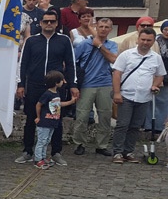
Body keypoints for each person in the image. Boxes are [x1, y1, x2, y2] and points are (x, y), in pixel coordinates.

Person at [15, 9, 78, 166]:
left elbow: (70, 64)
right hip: (35, 86)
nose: (49, 24)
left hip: (55, 89)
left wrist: (73, 85)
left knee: (56, 119)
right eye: (46, 21)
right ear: (41, 23)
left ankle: (56, 152)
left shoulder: (64, 41)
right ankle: (28, 151)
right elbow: (23, 64)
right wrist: (20, 84)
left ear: (56, 23)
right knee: (31, 119)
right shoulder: (31, 41)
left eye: (52, 21)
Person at [111, 28, 166, 163]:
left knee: (135, 127)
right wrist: (117, 93)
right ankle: (117, 152)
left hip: (144, 97)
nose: (145, 43)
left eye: (149, 40)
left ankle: (128, 152)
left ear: (153, 41)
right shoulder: (126, 55)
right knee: (122, 125)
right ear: (138, 39)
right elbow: (117, 74)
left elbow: (160, 75)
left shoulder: (156, 58)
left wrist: (155, 85)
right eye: (143, 39)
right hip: (126, 96)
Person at [71, 17, 118, 157]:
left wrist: (99, 46)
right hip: (86, 84)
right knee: (82, 116)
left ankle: (101, 145)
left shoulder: (112, 45)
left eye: (106, 27)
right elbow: (72, 61)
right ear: (96, 27)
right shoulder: (84, 44)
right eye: (101, 26)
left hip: (105, 84)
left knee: (105, 116)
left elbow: (113, 59)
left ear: (110, 29)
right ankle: (79, 143)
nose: (103, 29)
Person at [34, 71, 75, 170]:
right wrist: (38, 117)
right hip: (44, 121)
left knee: (47, 140)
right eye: (62, 80)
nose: (63, 82)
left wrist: (71, 102)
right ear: (56, 82)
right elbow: (38, 104)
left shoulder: (56, 93)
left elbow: (58, 104)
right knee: (42, 141)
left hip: (52, 121)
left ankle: (42, 157)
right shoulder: (47, 94)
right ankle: (38, 159)